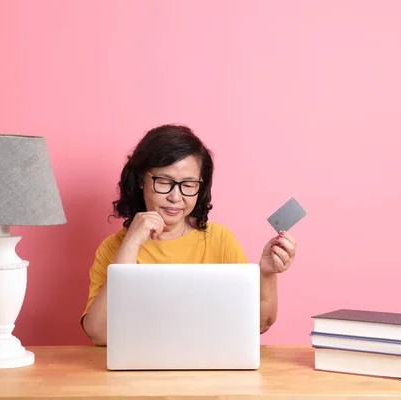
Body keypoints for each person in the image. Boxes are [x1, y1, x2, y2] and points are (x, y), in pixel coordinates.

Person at [81, 124, 297, 346]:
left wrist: (267, 274)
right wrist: (131, 242)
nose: (176, 197)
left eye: (188, 185)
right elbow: (100, 333)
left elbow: (258, 324)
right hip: (139, 375)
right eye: (164, 182)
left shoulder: (219, 239)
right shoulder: (113, 248)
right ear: (140, 180)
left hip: (207, 371)